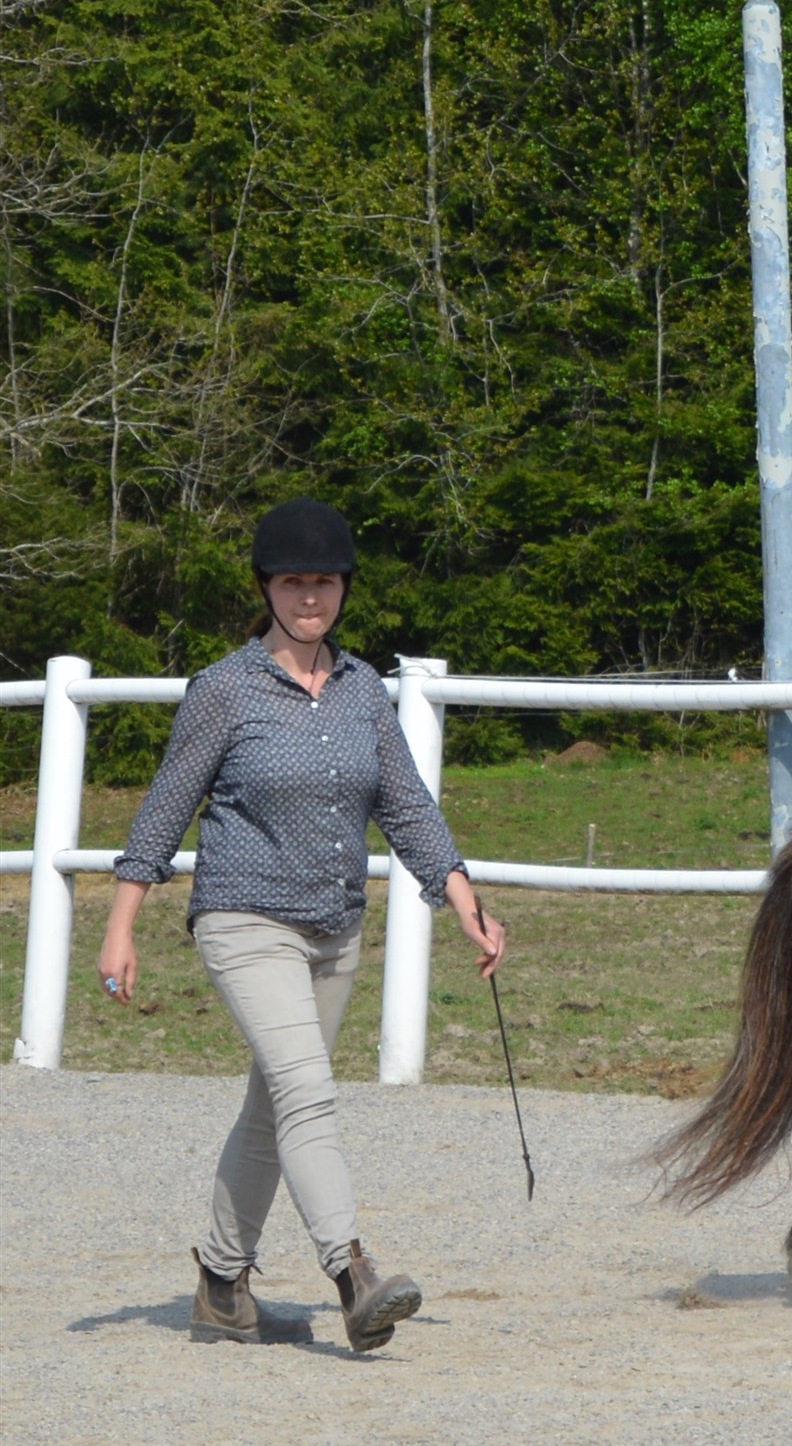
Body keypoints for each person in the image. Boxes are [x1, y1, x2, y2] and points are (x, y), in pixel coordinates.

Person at [96, 497, 506, 1352]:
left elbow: (408, 806)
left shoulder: (363, 692)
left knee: (272, 1107)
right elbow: (165, 807)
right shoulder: (225, 689)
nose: (309, 596)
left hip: (333, 930)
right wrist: (120, 926)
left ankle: (220, 1282)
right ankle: (353, 1272)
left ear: (343, 589)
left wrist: (461, 897)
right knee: (308, 1091)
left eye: (323, 581)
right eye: (293, 581)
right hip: (243, 920)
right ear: (268, 588)